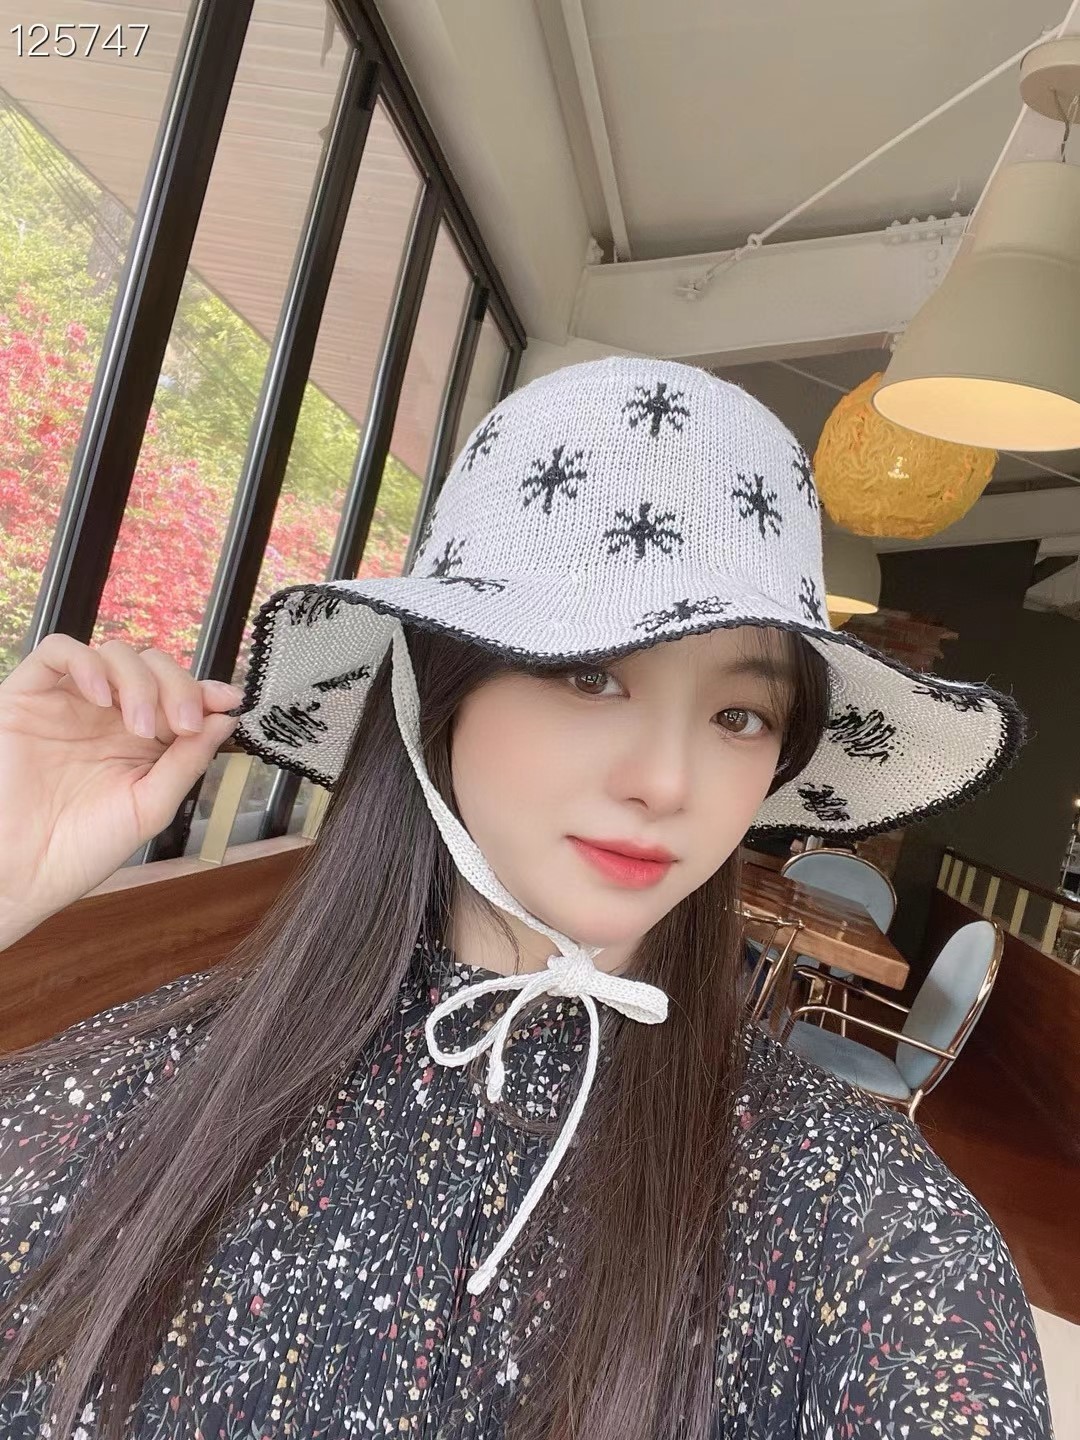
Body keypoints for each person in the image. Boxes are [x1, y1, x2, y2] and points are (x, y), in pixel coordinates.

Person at [0, 357, 1050, 1440]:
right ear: (434, 687)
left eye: (739, 717)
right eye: (592, 674)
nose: (668, 783)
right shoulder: (126, 1105)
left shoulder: (859, 1220)